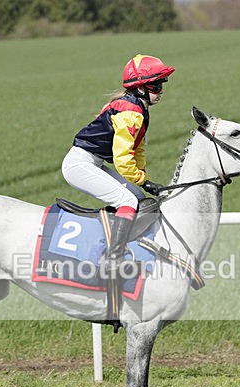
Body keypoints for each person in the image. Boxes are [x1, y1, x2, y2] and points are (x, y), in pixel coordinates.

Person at [61, 53, 173, 266]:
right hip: (79, 164)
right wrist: (143, 181)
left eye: (162, 85)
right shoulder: (131, 112)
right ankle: (112, 259)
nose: (161, 91)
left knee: (143, 202)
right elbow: (123, 159)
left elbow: (137, 151)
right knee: (129, 201)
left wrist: (143, 180)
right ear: (140, 88)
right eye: (156, 86)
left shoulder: (139, 109)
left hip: (93, 162)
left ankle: (123, 243)